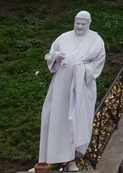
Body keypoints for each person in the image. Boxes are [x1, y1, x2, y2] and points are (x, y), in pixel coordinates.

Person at [34, 11, 106, 172]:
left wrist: (79, 68)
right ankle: (46, 160)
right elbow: (51, 55)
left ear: (89, 23)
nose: (79, 26)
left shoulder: (96, 40)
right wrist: (56, 58)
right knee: (51, 118)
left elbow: (97, 64)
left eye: (83, 24)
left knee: (75, 123)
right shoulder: (63, 37)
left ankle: (71, 160)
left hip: (81, 89)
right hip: (60, 86)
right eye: (77, 23)